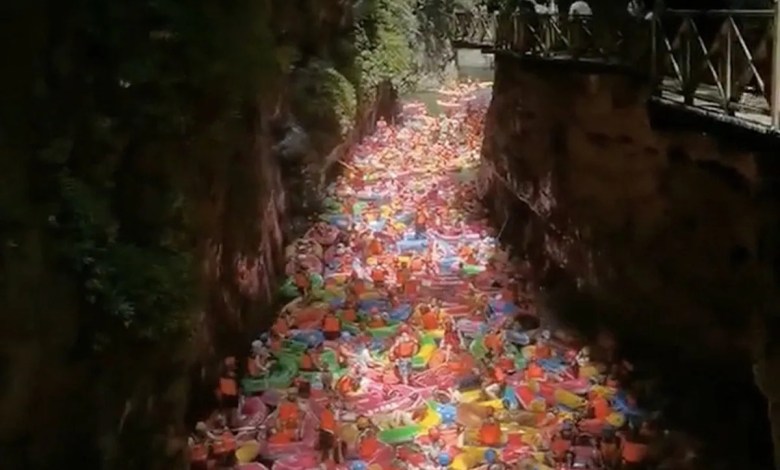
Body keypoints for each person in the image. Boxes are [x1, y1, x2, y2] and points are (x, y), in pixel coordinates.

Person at [216, 357, 239, 426]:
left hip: (230, 402)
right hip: (227, 402)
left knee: (231, 422)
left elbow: (237, 390)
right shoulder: (224, 377)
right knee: (228, 422)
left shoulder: (233, 377)